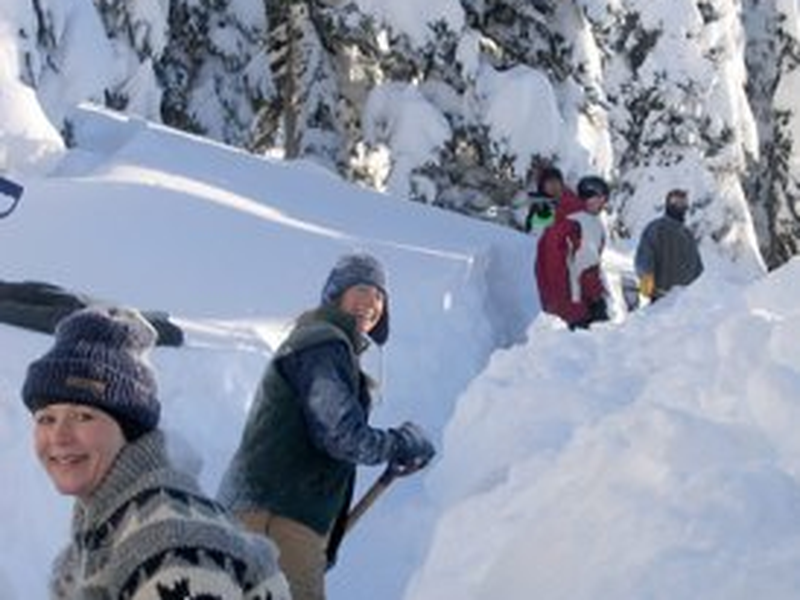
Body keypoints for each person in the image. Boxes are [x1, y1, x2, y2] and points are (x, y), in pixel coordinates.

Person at [22, 306, 290, 600]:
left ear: (129, 427)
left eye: (84, 416)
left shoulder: (170, 540)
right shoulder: (99, 533)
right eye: (46, 418)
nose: (59, 437)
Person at [217, 252, 436, 600]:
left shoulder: (325, 344)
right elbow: (342, 434)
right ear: (336, 293)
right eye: (361, 289)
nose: (371, 302)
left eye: (379, 295)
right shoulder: (323, 344)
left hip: (268, 513)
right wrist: (400, 443)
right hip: (273, 517)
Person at [534, 175, 611, 329]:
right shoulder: (583, 221)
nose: (604, 205)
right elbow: (585, 267)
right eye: (602, 199)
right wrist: (596, 299)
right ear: (591, 197)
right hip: (578, 305)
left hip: (561, 304)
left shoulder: (563, 217)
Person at [635, 188, 704, 302]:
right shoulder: (656, 228)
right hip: (662, 298)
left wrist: (697, 294)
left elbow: (697, 268)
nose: (680, 206)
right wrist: (647, 290)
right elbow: (644, 262)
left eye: (683, 202)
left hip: (686, 300)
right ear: (668, 204)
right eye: (676, 202)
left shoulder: (687, 234)